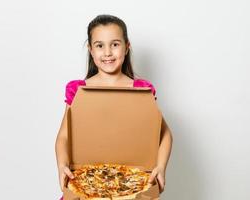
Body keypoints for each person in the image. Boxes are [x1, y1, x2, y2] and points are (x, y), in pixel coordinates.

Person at [55, 14, 173, 199]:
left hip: (133, 184)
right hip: (85, 181)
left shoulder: (141, 90)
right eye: (100, 45)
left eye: (115, 44)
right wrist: (62, 166)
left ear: (127, 47)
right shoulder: (78, 90)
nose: (108, 52)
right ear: (91, 50)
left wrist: (160, 167)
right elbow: (63, 136)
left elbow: (165, 134)